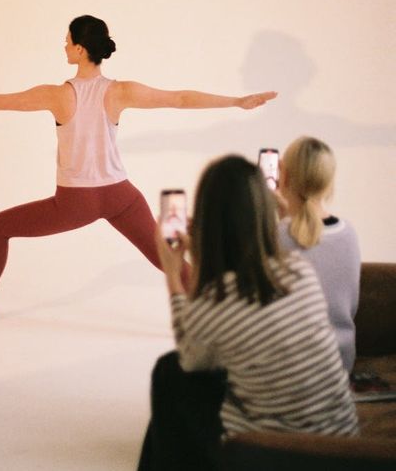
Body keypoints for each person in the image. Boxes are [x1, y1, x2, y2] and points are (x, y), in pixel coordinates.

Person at [0, 15, 276, 324]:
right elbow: (179, 98)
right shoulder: (121, 90)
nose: (64, 47)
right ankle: (231, 308)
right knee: (169, 259)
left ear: (81, 50)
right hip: (121, 196)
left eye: (67, 42)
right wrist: (237, 102)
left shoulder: (58, 94)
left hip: (76, 202)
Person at [138, 155, 358, 471]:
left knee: (171, 373)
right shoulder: (299, 269)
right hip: (341, 444)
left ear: (205, 220)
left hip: (273, 452)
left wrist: (174, 272)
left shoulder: (216, 304)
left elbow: (192, 357)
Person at [276, 136, 361, 372]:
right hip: (341, 364)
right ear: (328, 181)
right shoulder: (348, 234)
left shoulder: (275, 236)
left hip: (289, 370)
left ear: (284, 176)